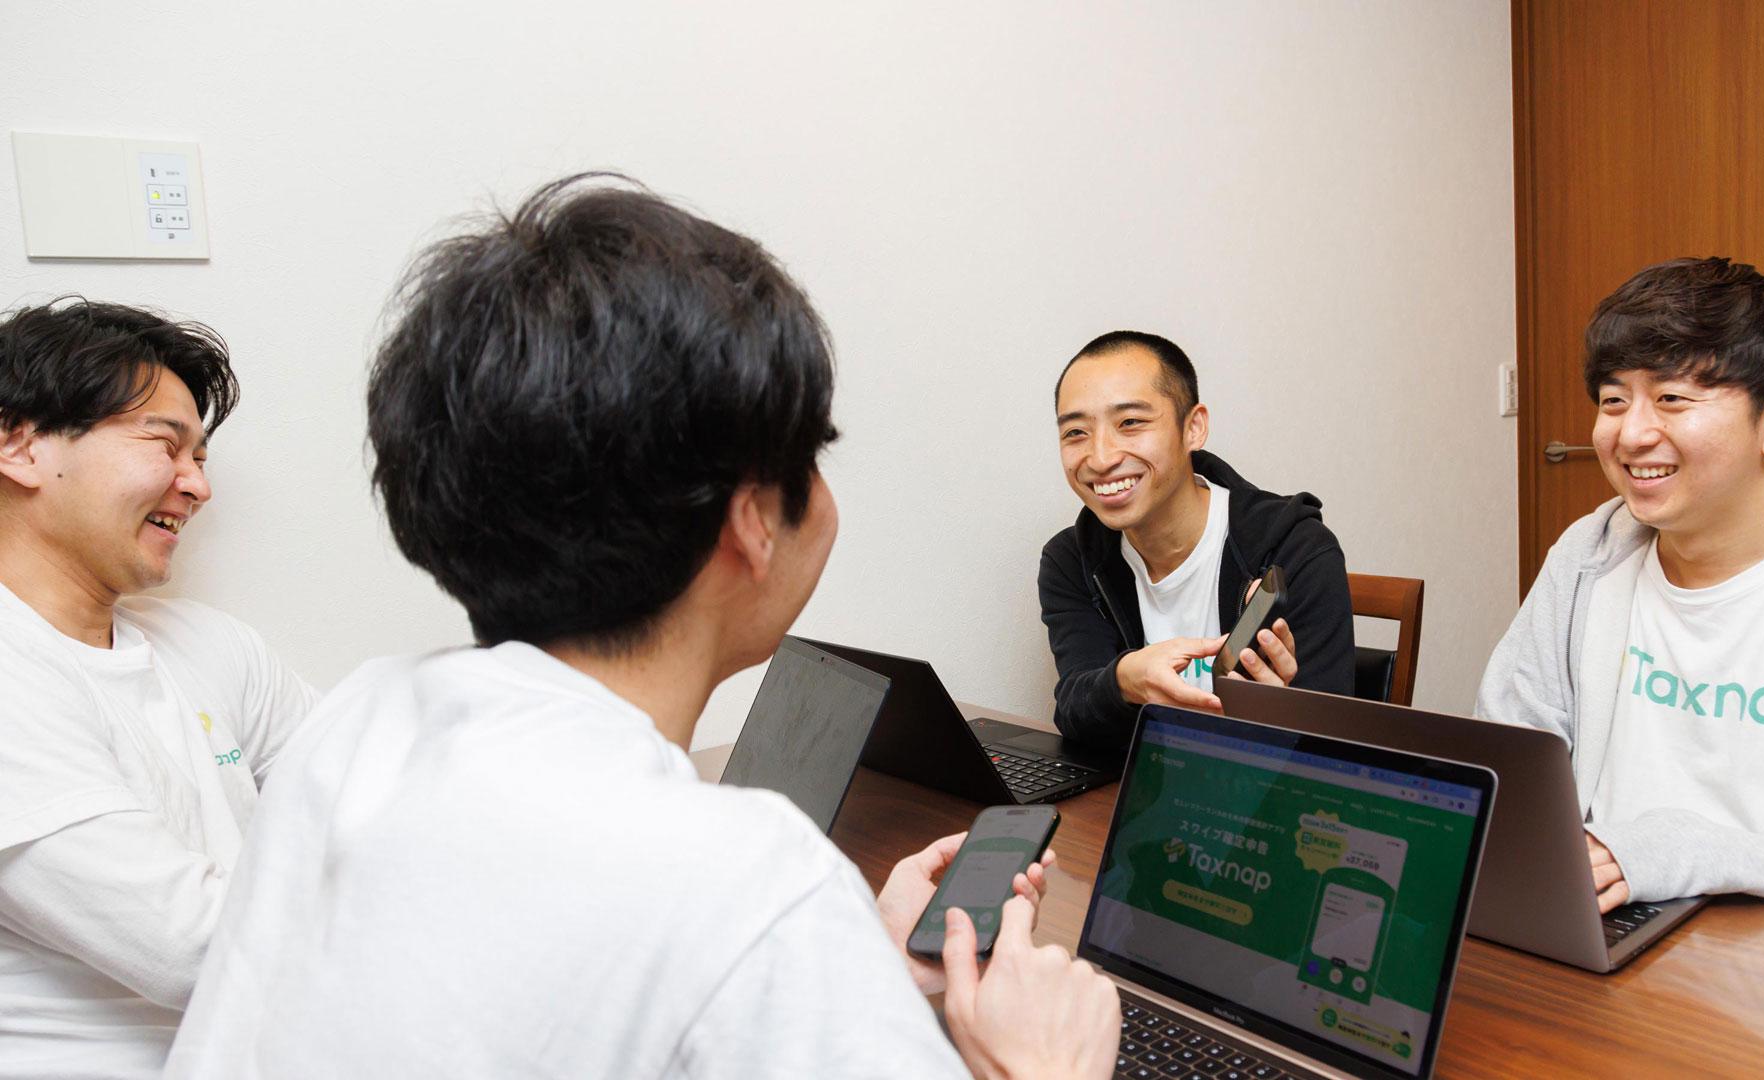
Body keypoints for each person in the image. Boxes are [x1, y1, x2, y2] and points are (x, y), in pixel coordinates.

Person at [164, 175, 1120, 1078]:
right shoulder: (753, 885)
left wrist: (841, 971)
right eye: (812, 457)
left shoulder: (360, 724)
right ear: (754, 518)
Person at [1478, 257, 1764, 922]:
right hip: (1601, 926)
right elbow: (1504, 770)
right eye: (1613, 400)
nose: (1631, 434)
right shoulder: (1587, 558)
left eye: (1672, 399)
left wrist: (1671, 851)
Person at [0, 299, 319, 1078]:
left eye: (200, 458)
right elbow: (194, 947)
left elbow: (368, 800)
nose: (197, 486)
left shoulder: (210, 644)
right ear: (19, 446)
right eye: (165, 444)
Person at [1039, 331, 1356, 749]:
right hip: (1146, 784)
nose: (1100, 458)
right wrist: (1124, 681)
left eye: (1130, 423)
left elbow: (1330, 745)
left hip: (1265, 783)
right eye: (1076, 432)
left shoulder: (1295, 548)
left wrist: (1277, 716)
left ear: (1193, 427)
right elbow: (1075, 712)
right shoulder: (1071, 560)